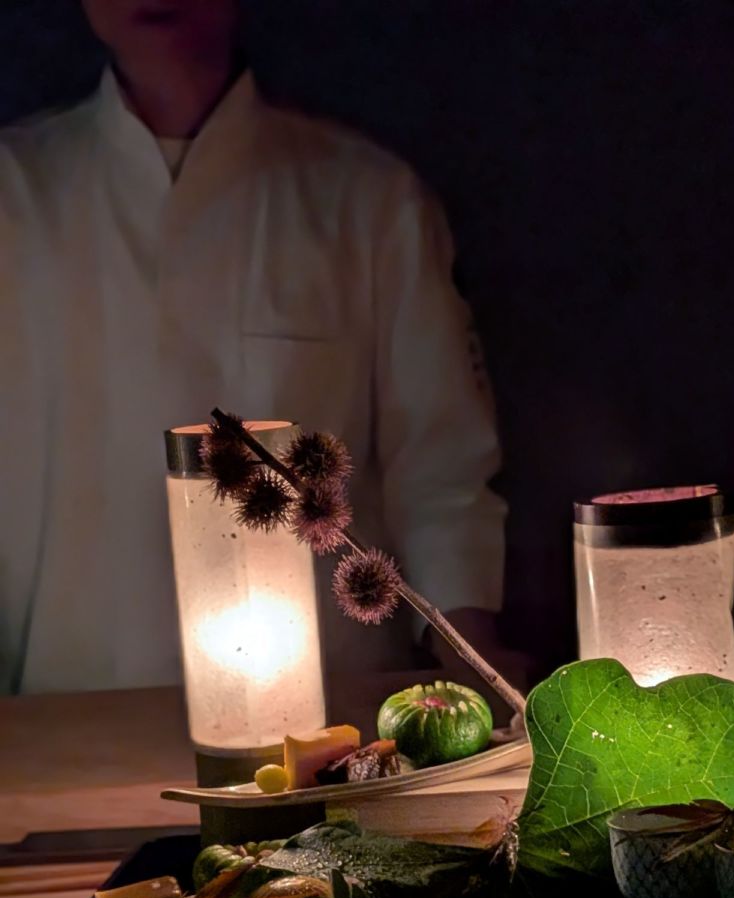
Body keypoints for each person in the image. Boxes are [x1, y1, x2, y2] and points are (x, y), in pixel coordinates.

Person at [0, 0, 509, 695]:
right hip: (63, 705)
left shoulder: (369, 201)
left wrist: (477, 677)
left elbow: (441, 469)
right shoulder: (15, 197)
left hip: (333, 712)